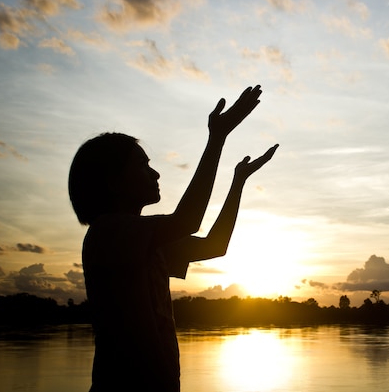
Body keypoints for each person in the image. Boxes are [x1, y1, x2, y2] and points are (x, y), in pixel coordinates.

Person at [68, 85, 278, 392]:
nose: (155, 174)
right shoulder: (110, 233)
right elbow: (188, 220)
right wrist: (217, 137)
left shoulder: (145, 240)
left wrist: (238, 181)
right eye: (143, 165)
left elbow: (214, 246)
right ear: (112, 182)